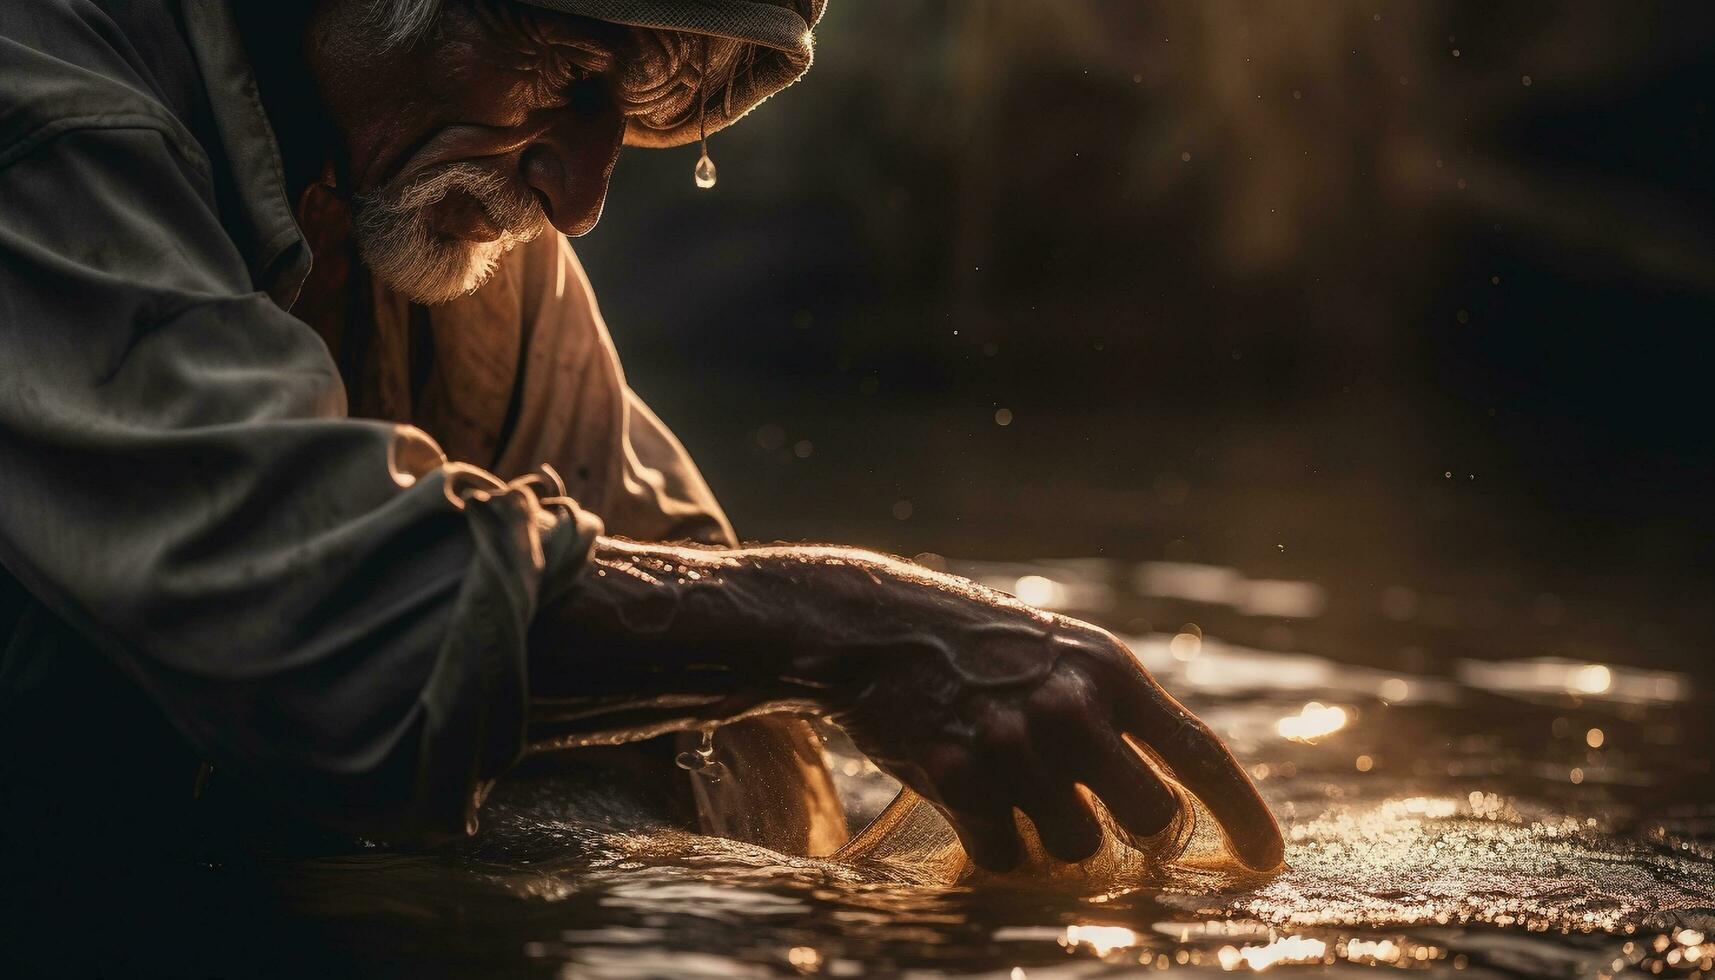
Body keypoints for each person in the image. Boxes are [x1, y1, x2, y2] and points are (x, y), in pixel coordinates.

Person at [0, 0, 1283, 884]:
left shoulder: (452, 208)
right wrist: (847, 627)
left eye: (643, 108)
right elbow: (315, 608)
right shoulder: (50, 106)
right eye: (567, 71)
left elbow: (755, 733)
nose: (584, 200)